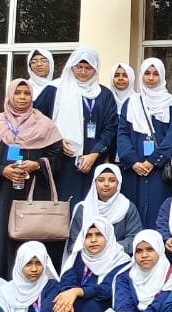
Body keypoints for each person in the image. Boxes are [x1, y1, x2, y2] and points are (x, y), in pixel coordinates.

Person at [0, 78, 62, 272]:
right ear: (10, 95)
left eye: (26, 93)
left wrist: (37, 165)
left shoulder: (45, 124)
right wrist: (2, 171)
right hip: (2, 192)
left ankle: (32, 276)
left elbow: (57, 154)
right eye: (18, 93)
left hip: (33, 191)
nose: (22, 97)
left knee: (30, 234)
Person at [35, 45, 119, 210]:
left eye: (88, 68)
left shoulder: (104, 94)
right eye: (79, 67)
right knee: (62, 206)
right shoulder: (54, 90)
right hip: (61, 160)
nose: (83, 71)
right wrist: (57, 140)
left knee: (90, 207)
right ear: (71, 66)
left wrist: (94, 154)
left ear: (96, 69)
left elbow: (111, 128)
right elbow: (37, 120)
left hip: (93, 162)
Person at [116, 57, 172, 228]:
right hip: (134, 168)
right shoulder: (131, 102)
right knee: (132, 209)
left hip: (160, 169)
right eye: (147, 73)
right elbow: (122, 133)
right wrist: (133, 161)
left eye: (155, 74)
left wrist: (154, 160)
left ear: (162, 76)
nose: (151, 78)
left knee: (159, 210)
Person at [66, 164, 143, 259]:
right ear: (94, 182)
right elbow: (73, 242)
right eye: (101, 180)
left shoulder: (127, 207)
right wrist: (93, 250)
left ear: (118, 183)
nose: (106, 184)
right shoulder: (83, 208)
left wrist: (108, 249)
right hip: (87, 260)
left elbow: (134, 239)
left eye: (112, 180)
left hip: (118, 259)